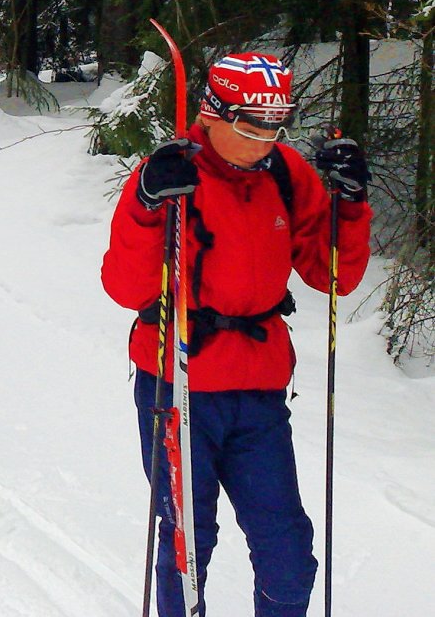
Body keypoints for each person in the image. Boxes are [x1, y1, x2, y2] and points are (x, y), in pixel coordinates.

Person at [102, 51, 373, 617]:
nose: (265, 140)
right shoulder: (171, 173)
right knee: (187, 545)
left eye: (278, 123)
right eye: (252, 125)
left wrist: (349, 205)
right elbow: (126, 288)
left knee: (288, 552)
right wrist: (149, 205)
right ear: (213, 112)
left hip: (258, 389)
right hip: (177, 383)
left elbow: (334, 275)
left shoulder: (284, 172)